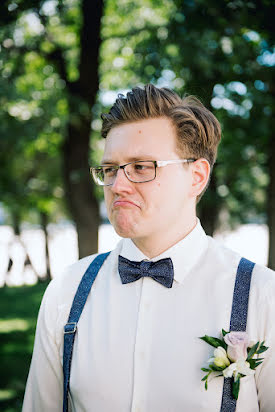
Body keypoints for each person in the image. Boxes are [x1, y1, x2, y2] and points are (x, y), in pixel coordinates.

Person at [22, 84, 275, 412]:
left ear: (196, 177)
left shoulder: (262, 296)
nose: (117, 186)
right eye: (110, 169)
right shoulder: (66, 293)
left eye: (141, 166)